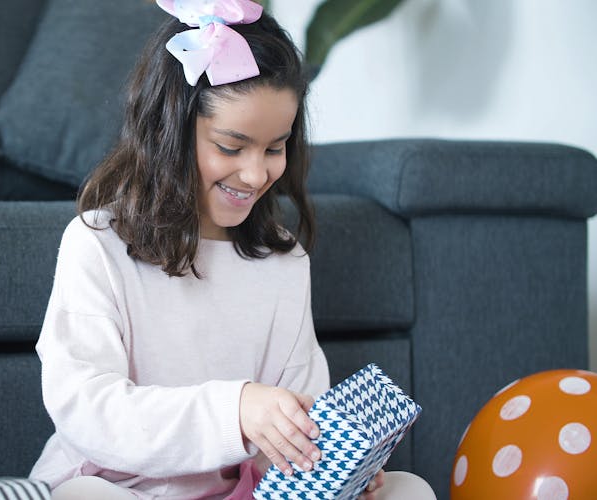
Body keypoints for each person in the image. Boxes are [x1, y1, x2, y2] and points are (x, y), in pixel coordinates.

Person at [29, 1, 436, 498]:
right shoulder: (97, 244)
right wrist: (236, 411)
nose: (255, 174)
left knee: (407, 490)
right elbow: (88, 409)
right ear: (169, 133)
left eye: (274, 147)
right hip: (115, 486)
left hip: (237, 492)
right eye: (230, 147)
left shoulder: (283, 263)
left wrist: (330, 463)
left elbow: (295, 418)